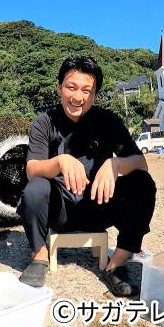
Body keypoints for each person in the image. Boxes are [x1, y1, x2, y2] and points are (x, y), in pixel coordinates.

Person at [16, 55, 156, 297]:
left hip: (98, 206)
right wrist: (60, 161)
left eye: (86, 90)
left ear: (95, 95)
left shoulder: (108, 121)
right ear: (59, 87)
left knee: (143, 183)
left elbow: (140, 162)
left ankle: (117, 264)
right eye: (71, 87)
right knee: (35, 188)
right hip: (58, 212)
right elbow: (32, 169)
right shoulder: (44, 122)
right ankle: (39, 257)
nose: (77, 97)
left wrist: (115, 164)